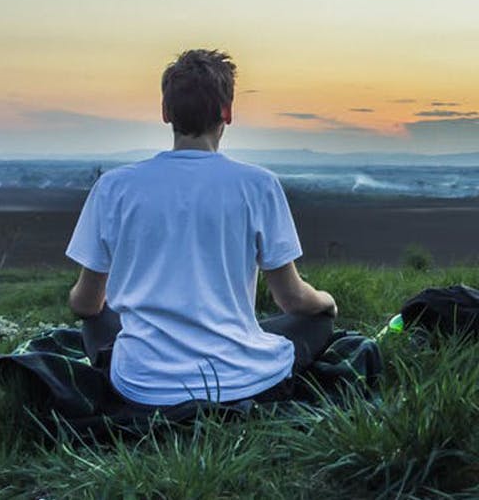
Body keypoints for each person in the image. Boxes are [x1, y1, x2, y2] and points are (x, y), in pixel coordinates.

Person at [65, 49, 337, 407]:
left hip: (142, 386)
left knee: (98, 320)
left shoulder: (114, 187)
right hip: (242, 381)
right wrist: (326, 302)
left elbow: (85, 304)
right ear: (227, 112)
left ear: (165, 112)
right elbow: (292, 300)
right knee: (316, 322)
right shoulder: (259, 185)